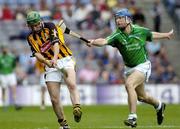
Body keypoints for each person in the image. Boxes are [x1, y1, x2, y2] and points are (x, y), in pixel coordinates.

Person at [87, 8, 174, 128]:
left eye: (120, 18)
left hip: (143, 65)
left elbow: (151, 34)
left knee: (129, 85)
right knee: (142, 97)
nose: (118, 21)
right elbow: (104, 41)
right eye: (116, 18)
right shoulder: (117, 35)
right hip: (129, 68)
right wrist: (93, 41)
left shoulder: (139, 30)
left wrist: (166, 35)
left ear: (128, 19)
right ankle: (159, 105)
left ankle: (132, 117)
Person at [26, 11, 82, 129]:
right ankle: (63, 124)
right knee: (54, 99)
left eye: (36, 24)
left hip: (65, 59)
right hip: (49, 65)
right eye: (32, 26)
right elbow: (37, 54)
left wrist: (55, 59)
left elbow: (55, 44)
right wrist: (47, 62)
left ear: (40, 21)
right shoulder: (30, 37)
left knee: (71, 84)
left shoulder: (50, 26)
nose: (35, 28)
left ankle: (77, 108)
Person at [0, 44, 22, 111]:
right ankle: (5, 105)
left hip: (11, 74)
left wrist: (18, 72)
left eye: (5, 48)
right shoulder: (0, 57)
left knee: (13, 89)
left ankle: (16, 104)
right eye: (3, 48)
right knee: (4, 90)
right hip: (3, 75)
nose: (4, 49)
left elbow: (15, 66)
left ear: (7, 49)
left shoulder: (11, 57)